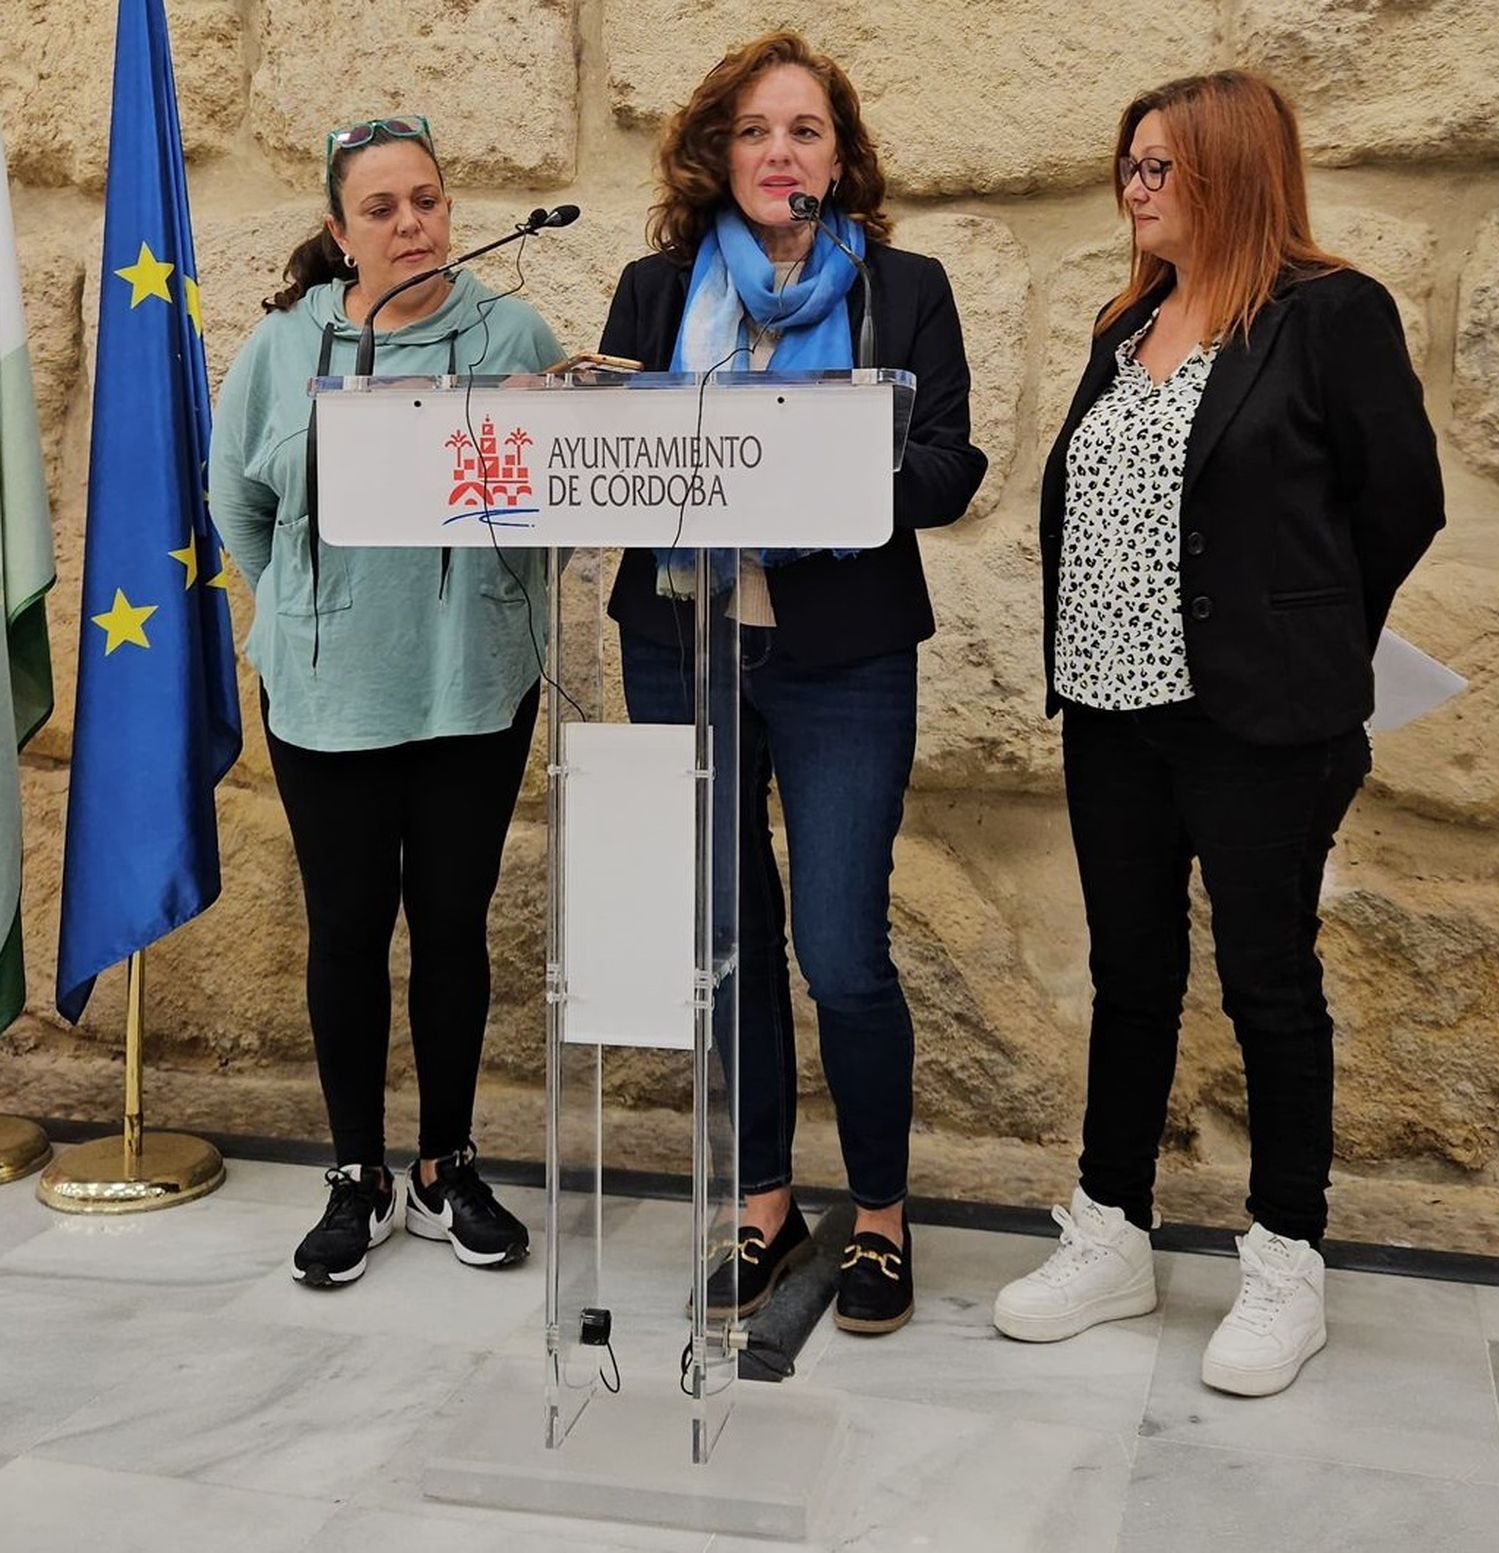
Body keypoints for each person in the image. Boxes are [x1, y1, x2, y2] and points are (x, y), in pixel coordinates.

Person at [993, 71, 1444, 1393]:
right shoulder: (1121, 325)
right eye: (1127, 165)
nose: (1133, 189)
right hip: (1109, 709)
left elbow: (1399, 504)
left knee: (1269, 982)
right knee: (1130, 976)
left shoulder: (1329, 315)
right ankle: (1114, 1230)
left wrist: (1297, 630)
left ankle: (1287, 1254)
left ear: (1234, 171)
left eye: (1158, 167)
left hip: (1260, 718)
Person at [601, 32, 986, 1335]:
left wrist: (834, 443)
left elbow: (950, 470)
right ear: (719, 155)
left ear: (842, 156)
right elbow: (614, 468)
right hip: (681, 644)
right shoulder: (656, 292)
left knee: (841, 948)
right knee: (723, 944)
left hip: (843, 661)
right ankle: (758, 1205)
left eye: (806, 130)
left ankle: (877, 1216)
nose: (781, 152)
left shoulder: (905, 290)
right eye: (757, 131)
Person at [209, 116, 566, 1287]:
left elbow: (553, 505)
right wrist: (314, 608)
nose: (412, 225)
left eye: (428, 200)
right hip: (328, 690)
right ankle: (357, 1172)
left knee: (454, 929)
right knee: (349, 928)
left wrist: (501, 595)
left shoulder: (514, 332)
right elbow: (240, 509)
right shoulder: (281, 346)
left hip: (471, 683)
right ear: (338, 231)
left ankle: (445, 1164)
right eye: (382, 209)